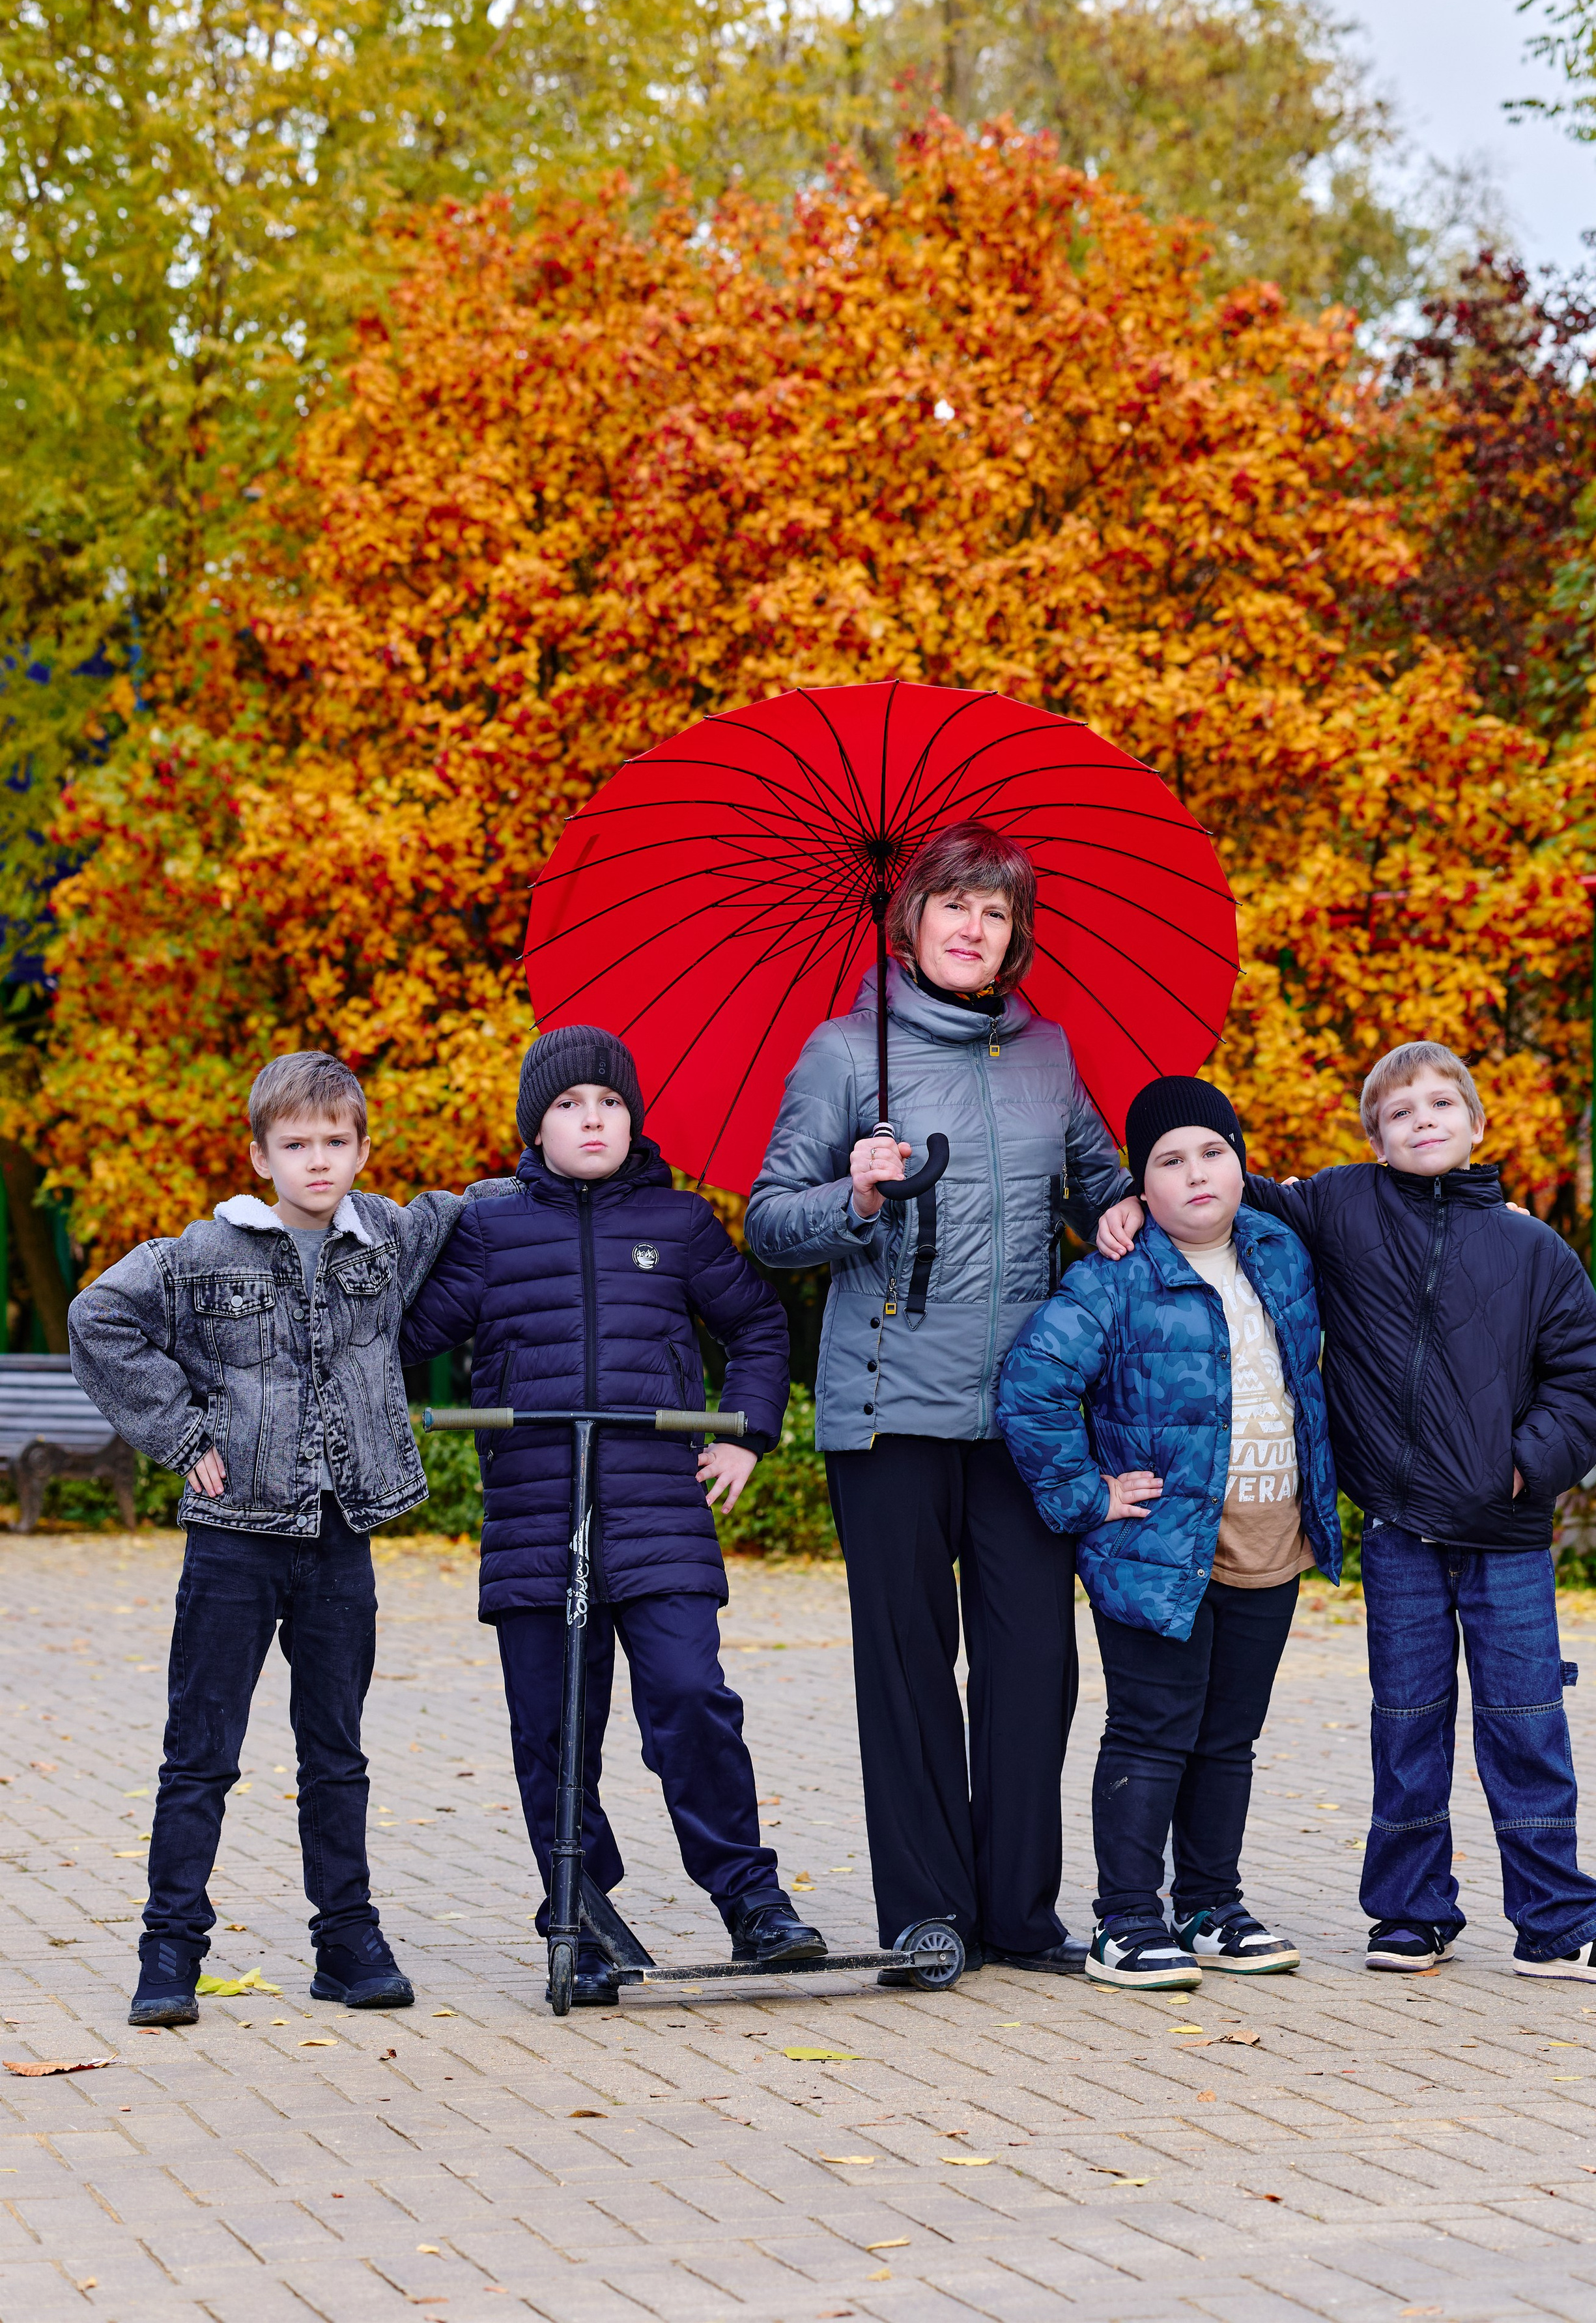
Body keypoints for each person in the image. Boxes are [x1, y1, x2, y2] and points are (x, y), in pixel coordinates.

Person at [1098, 1040, 1596, 1986]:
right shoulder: (1340, 1207)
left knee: (1526, 1726)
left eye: (1444, 1105)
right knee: (1406, 1724)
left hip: (1506, 1534)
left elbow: (1588, 1375)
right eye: (1401, 1113)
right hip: (1400, 1528)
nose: (1425, 1121)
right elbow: (1220, 1188)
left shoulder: (1532, 1246)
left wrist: (1525, 1469)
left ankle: (1559, 1921)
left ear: (1478, 1124)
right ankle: (1410, 1914)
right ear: (1375, 1137)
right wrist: (1122, 1197)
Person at [745, 822, 1132, 1978]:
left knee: (1033, 1668)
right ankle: (928, 1912)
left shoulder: (1049, 1053)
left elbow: (1100, 1182)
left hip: (1026, 1416)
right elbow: (770, 1221)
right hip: (887, 1409)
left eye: (996, 912)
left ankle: (1019, 1912)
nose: (974, 928)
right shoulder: (840, 1052)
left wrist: (1115, 1212)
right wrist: (851, 1198)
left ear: (1016, 935)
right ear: (908, 922)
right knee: (908, 1666)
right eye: (954, 906)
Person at [400, 1026, 810, 2009]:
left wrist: (748, 1431)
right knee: (551, 1727)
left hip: (659, 1510)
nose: (593, 1120)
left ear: (634, 1120)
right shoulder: (489, 1233)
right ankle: (578, 1909)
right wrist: (415, 1232)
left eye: (611, 1104)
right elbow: (407, 1336)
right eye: (570, 1105)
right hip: (539, 1516)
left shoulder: (680, 1224)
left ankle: (752, 1900)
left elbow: (757, 1323)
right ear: (535, 1126)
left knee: (690, 1699)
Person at [67, 1051, 464, 2027]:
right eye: (297, 1145)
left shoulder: (387, 1241)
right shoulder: (202, 1255)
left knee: (336, 1749)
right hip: (233, 1536)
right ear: (260, 1155)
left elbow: (477, 1208)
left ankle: (347, 1940)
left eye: (337, 1143)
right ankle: (170, 1951)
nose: (318, 1161)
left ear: (364, 1150)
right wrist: (181, 1433)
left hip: (341, 1536)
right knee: (200, 1751)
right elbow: (98, 1316)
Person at [997, 1076, 1339, 1989]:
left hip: (1270, 1541)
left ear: (1240, 1162)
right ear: (1138, 1188)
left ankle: (1210, 1906)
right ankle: (1126, 1920)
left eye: (1213, 1153)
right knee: (1154, 1731)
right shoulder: (1116, 1276)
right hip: (1156, 1549)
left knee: (1231, 1737)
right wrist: (1085, 1495)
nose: (1197, 1175)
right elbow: (1031, 1385)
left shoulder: (1280, 1249)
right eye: (1169, 1161)